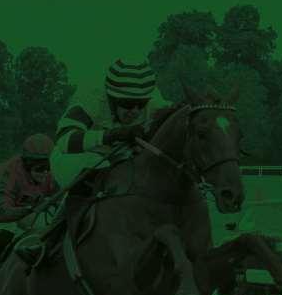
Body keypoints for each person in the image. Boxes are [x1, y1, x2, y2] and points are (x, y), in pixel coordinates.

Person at [14, 58, 167, 265]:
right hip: (74, 157)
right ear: (111, 98)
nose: (135, 111)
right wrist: (110, 136)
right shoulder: (92, 97)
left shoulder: (156, 101)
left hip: (119, 157)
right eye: (127, 104)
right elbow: (64, 140)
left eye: (141, 104)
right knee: (100, 168)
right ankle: (46, 239)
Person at [0, 133, 58, 289]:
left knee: (44, 226)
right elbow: (2, 213)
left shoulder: (50, 173)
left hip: (22, 200)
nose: (46, 173)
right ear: (27, 164)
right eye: (40, 168)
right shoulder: (11, 173)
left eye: (48, 167)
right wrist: (30, 209)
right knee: (8, 230)